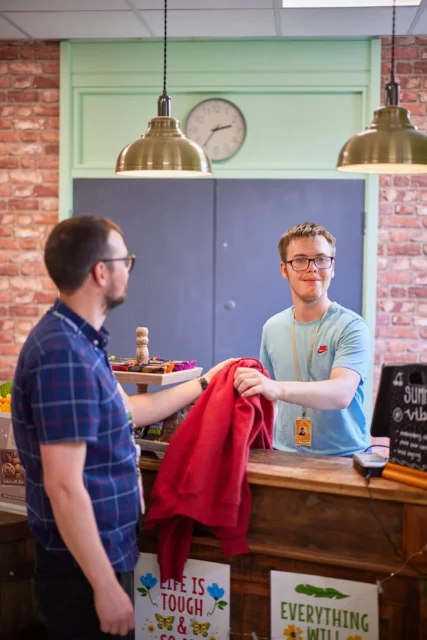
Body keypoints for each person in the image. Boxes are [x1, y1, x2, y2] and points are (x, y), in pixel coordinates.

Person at [12, 215, 233, 640]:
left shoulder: (80, 341)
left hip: (96, 559)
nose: (128, 268)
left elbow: (127, 411)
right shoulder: (65, 356)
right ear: (101, 271)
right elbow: (63, 486)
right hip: (81, 572)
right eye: (124, 259)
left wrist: (204, 382)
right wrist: (104, 587)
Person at [233, 222, 371, 457]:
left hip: (343, 458)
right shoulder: (272, 327)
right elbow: (269, 401)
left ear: (333, 266)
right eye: (300, 260)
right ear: (284, 269)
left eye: (321, 259)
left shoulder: (351, 326)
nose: (312, 268)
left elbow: (342, 393)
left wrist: (277, 388)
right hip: (282, 454)